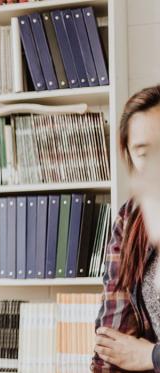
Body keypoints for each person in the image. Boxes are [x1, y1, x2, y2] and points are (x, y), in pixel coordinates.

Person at [93, 85, 160, 372]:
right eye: (145, 153)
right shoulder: (132, 218)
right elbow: (113, 339)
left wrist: (151, 357)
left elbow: (139, 355)